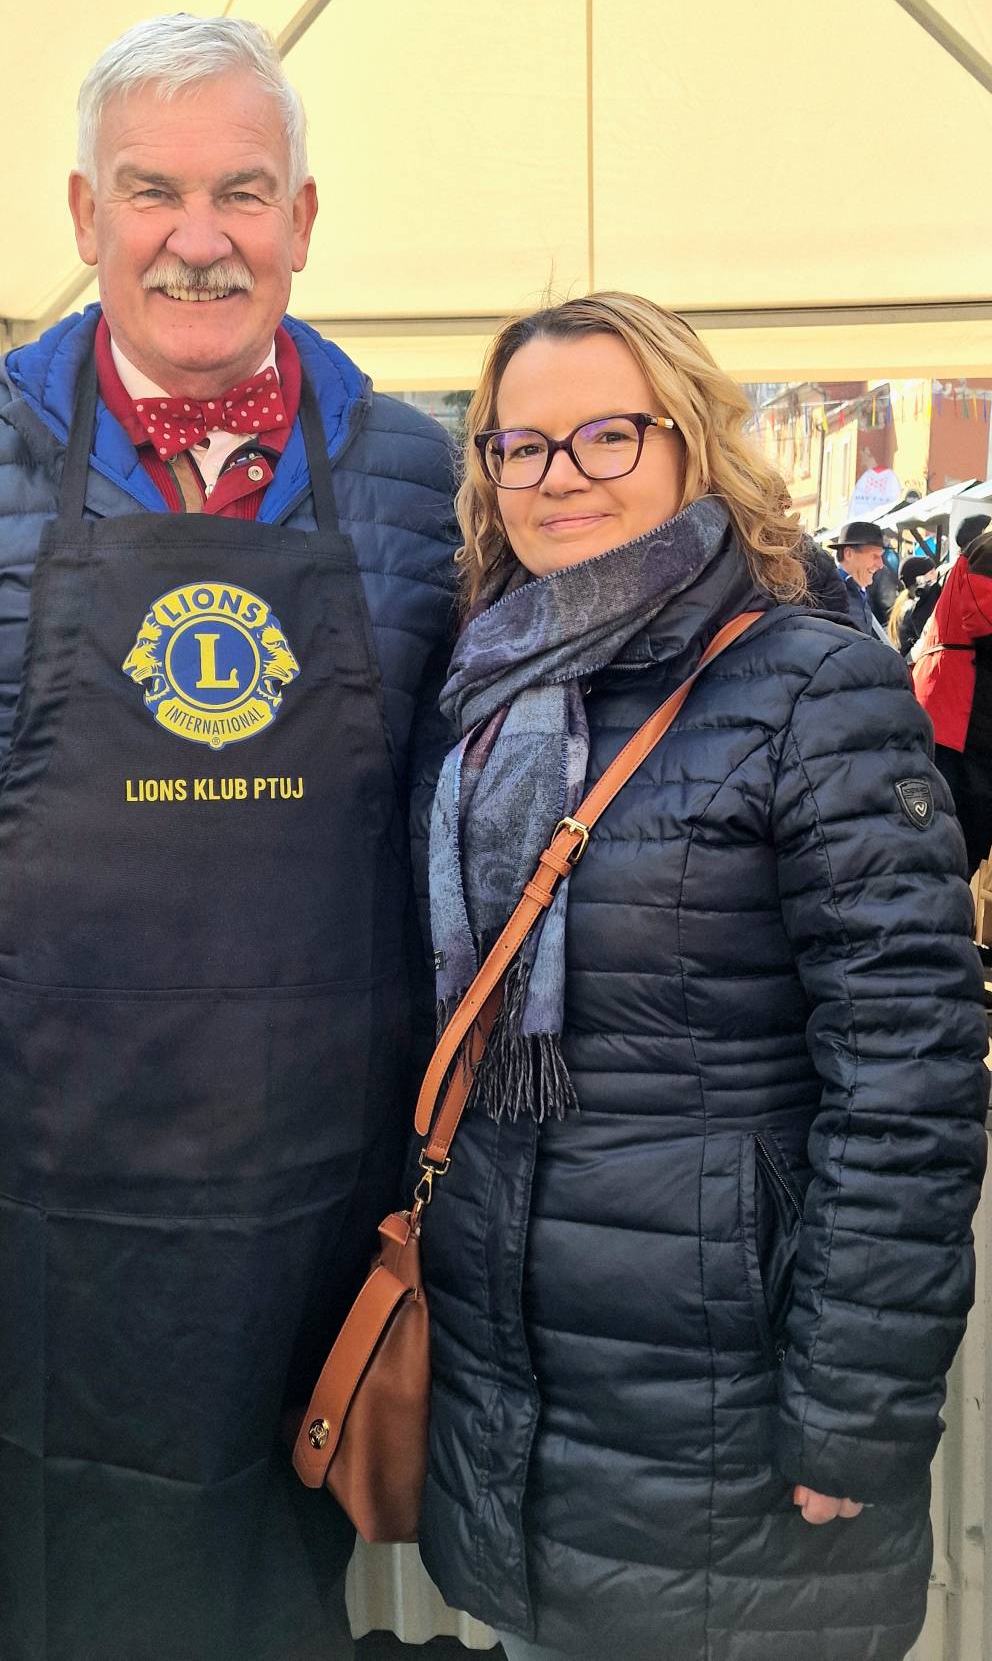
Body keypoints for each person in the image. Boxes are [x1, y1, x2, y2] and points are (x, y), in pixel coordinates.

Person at [0, 15, 457, 1661]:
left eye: (243, 190)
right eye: (154, 191)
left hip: (328, 1153)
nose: (198, 236)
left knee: (281, 1545)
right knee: (74, 1546)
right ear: (88, 215)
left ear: (304, 218)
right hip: (44, 1161)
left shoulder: (414, 476)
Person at [417, 293, 987, 1661]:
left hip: (731, 1381)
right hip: (520, 1372)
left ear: (692, 441)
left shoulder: (811, 686)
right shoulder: (484, 684)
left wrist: (852, 1405)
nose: (559, 476)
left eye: (607, 434)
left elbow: (907, 1073)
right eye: (520, 445)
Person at [913, 529, 992, 878]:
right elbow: (982, 618)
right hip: (960, 713)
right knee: (959, 838)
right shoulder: (990, 548)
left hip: (965, 712)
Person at [833, 517, 889, 638]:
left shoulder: (854, 590)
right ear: (848, 554)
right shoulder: (832, 594)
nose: (880, 565)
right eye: (874, 556)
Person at [887, 551, 939, 655]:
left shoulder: (905, 603)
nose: (936, 576)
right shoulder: (915, 608)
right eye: (931, 573)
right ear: (919, 579)